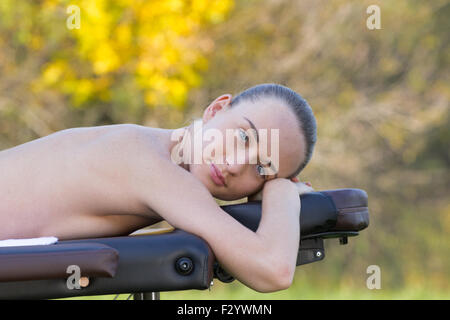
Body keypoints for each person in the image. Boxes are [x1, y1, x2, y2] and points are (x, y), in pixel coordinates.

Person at [0, 83, 316, 292]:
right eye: (244, 137)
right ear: (216, 110)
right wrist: (283, 193)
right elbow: (273, 271)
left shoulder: (155, 152)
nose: (235, 165)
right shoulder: (154, 166)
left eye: (262, 168)